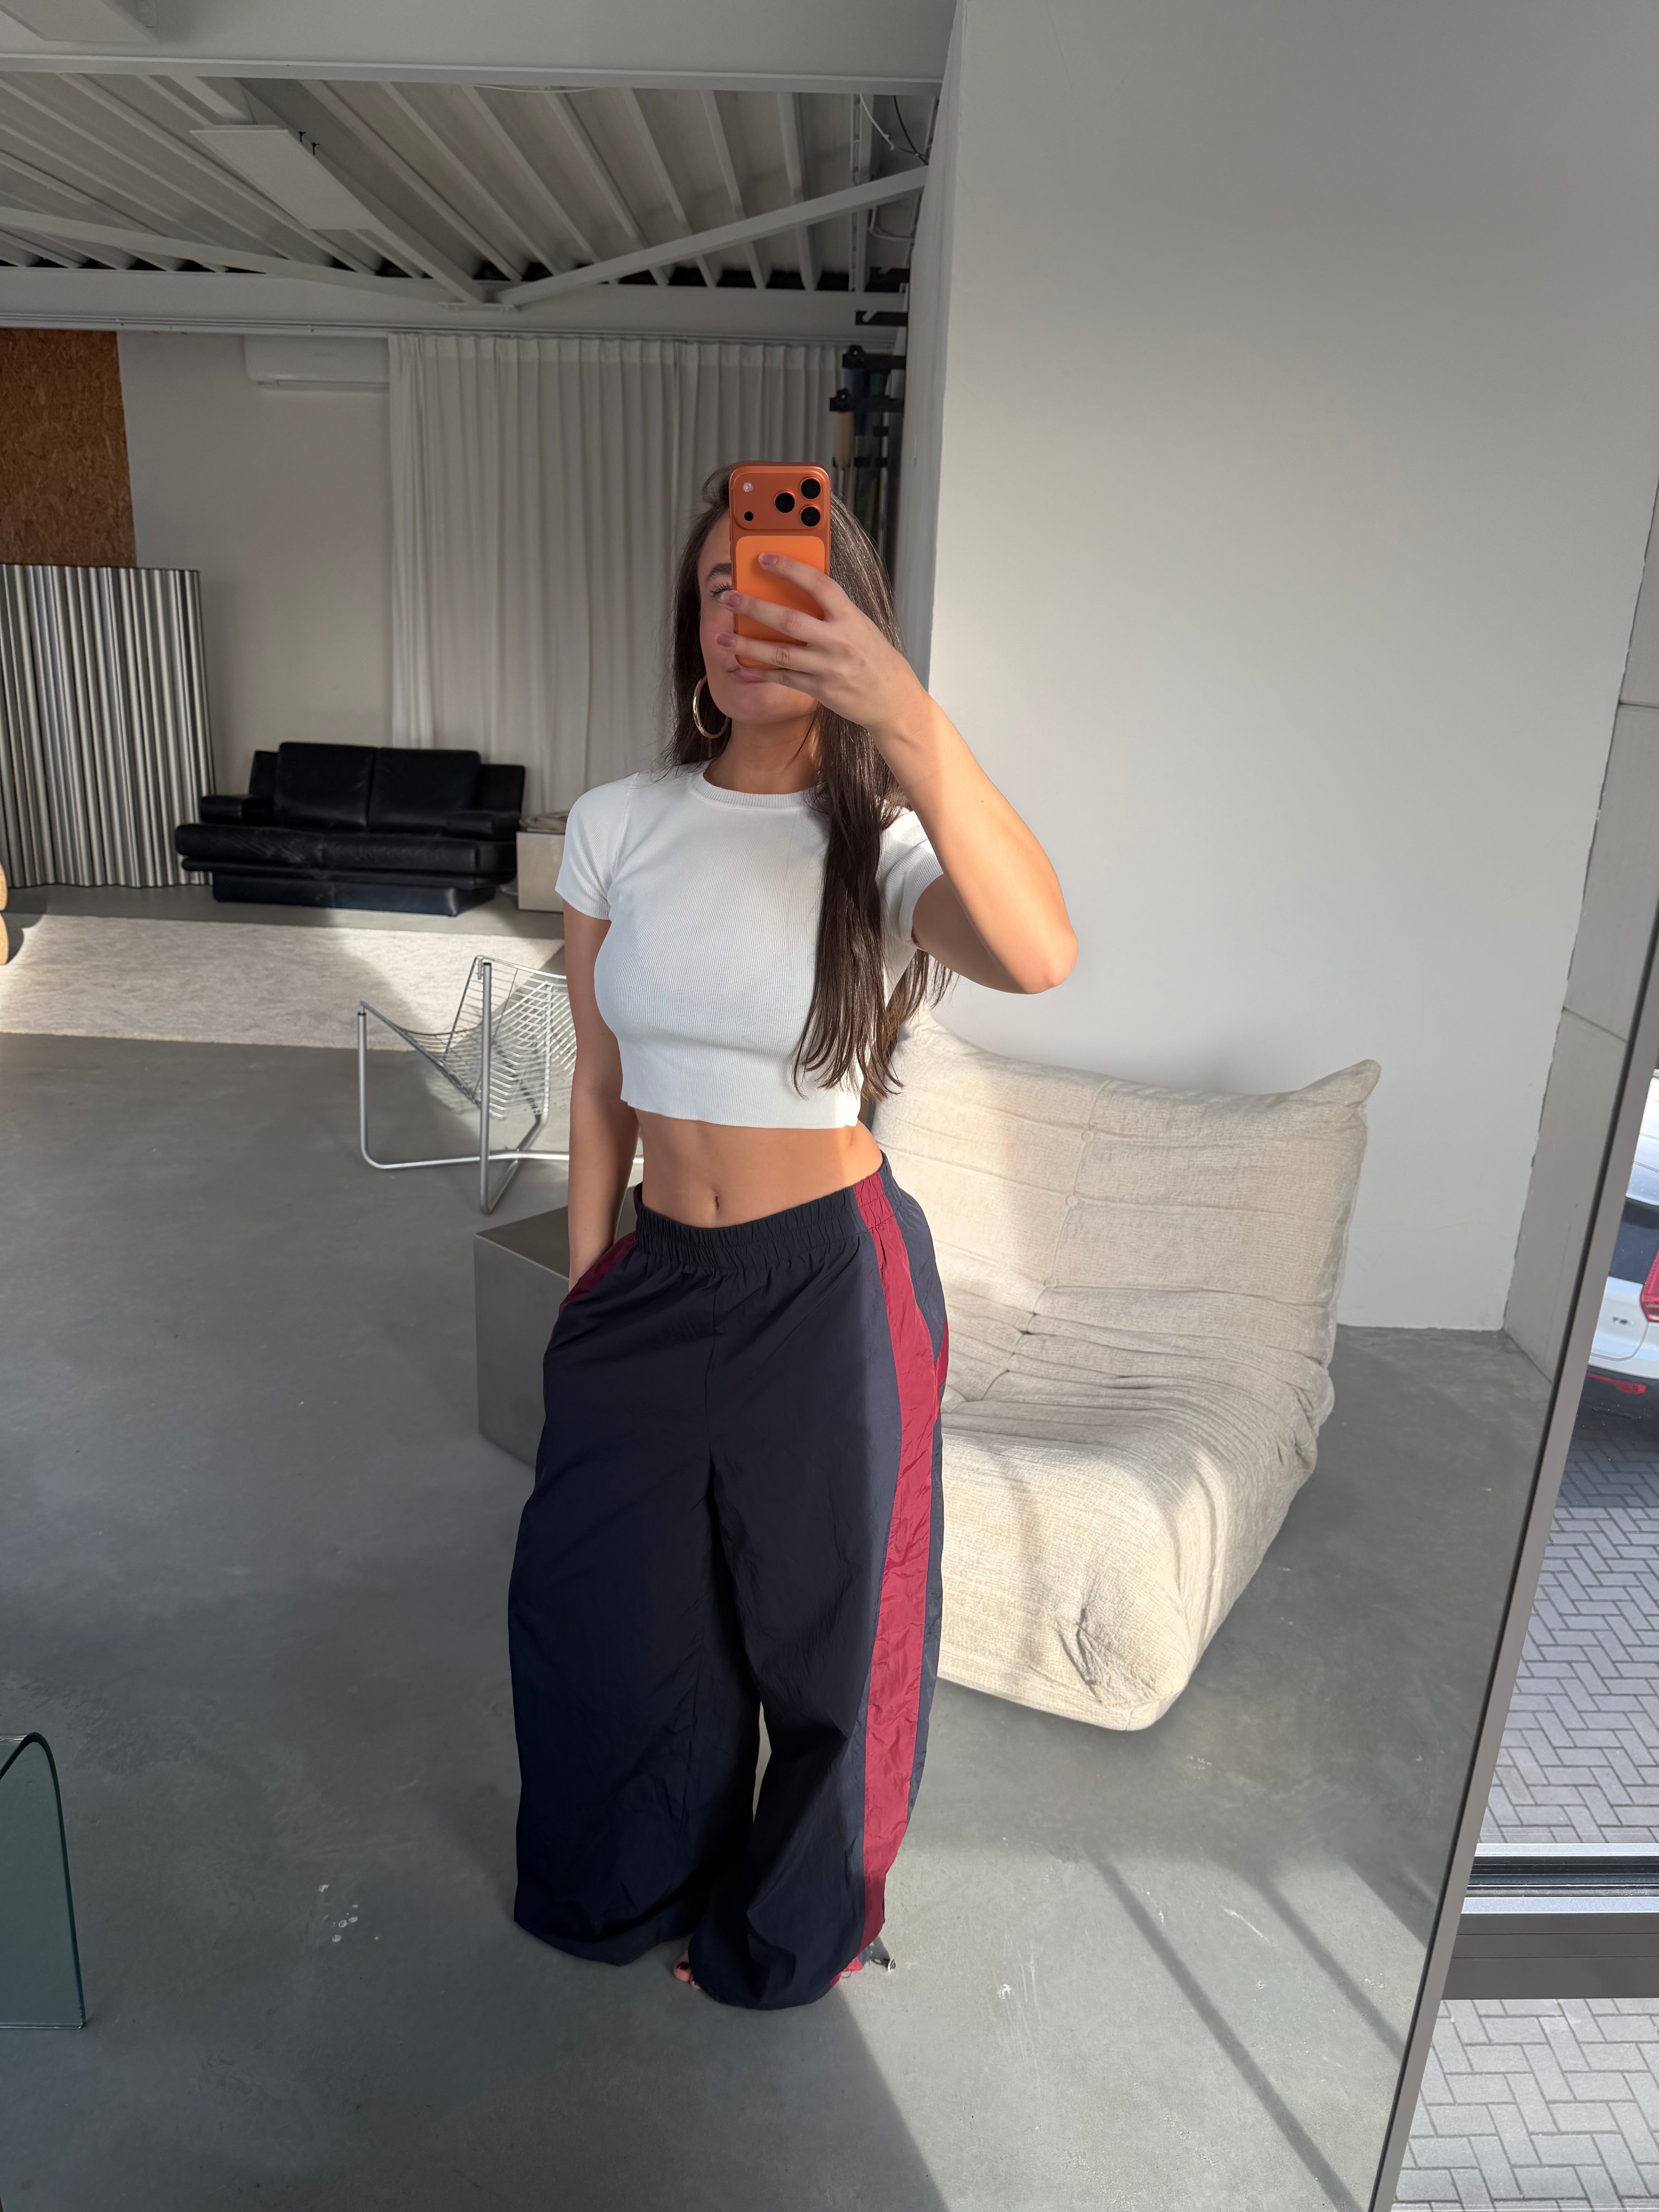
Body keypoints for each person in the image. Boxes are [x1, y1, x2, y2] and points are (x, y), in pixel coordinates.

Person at [508, 468, 1076, 2011]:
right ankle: (623, 1887)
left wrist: (906, 718)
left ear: (846, 621)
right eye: (719, 587)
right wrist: (586, 1285)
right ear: (690, 628)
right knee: (609, 1614)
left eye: (779, 587)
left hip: (828, 1285)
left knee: (835, 1641)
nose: (741, 614)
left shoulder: (879, 843)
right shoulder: (620, 823)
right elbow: (600, 1082)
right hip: (651, 1278)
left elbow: (1038, 952)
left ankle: (787, 1938)